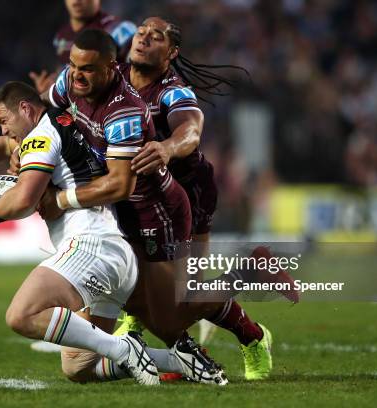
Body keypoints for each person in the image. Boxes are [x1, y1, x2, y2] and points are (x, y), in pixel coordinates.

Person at [0, 81, 227, 386]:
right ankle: (178, 360)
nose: (3, 130)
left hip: (89, 245)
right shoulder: (64, 121)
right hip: (114, 250)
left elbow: (24, 200)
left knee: (22, 315)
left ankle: (125, 348)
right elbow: (2, 146)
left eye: (4, 121)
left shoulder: (40, 136)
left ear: (25, 109)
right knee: (79, 366)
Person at [118, 16, 279, 380]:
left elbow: (190, 131)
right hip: (136, 195)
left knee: (184, 294)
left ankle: (251, 333)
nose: (144, 39)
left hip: (186, 195)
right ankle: (160, 337)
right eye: (141, 33)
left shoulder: (173, 92)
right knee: (134, 275)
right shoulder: (113, 79)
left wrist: (166, 147)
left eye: (155, 37)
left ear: (171, 53)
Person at [29, 0, 136, 93]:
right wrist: (52, 88)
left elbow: (139, 77)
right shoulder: (61, 36)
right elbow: (66, 76)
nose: (76, 0)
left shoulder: (120, 30)